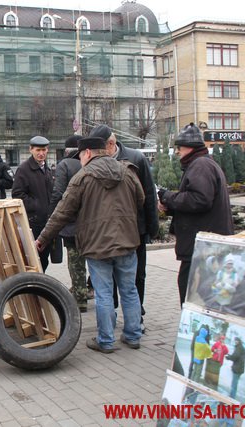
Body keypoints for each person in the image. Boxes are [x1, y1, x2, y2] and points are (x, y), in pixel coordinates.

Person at [36, 137, 144, 353]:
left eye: (81, 156)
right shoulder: (127, 171)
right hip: (127, 241)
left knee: (103, 293)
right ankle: (133, 335)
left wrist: (43, 238)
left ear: (87, 153)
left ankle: (106, 341)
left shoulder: (82, 177)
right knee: (130, 290)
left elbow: (62, 212)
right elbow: (140, 199)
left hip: (98, 244)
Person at [89, 124, 159, 331]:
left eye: (99, 148)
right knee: (108, 278)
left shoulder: (135, 159)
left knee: (137, 276)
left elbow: (148, 196)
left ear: (110, 144)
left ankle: (138, 318)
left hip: (134, 230)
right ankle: (112, 317)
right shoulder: (95, 161)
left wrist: (151, 227)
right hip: (106, 233)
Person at [158, 123, 234, 306]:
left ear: (189, 147)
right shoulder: (202, 163)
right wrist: (171, 204)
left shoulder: (200, 165)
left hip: (203, 248)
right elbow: (196, 199)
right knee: (197, 296)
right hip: (204, 246)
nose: (177, 152)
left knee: (194, 298)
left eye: (179, 147)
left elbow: (200, 199)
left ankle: (196, 332)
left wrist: (168, 197)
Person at [47, 134, 88, 312]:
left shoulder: (64, 165)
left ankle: (80, 297)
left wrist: (53, 215)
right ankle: (89, 289)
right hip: (92, 222)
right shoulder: (89, 164)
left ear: (66, 150)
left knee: (75, 261)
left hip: (72, 223)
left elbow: (59, 194)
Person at [11, 136, 55, 272]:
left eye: (44, 150)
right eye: (38, 150)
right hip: (33, 222)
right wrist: (37, 206)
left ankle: (40, 286)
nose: (41, 153)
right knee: (34, 260)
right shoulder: (24, 169)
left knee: (44, 259)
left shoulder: (47, 170)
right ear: (31, 150)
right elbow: (17, 194)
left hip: (47, 222)